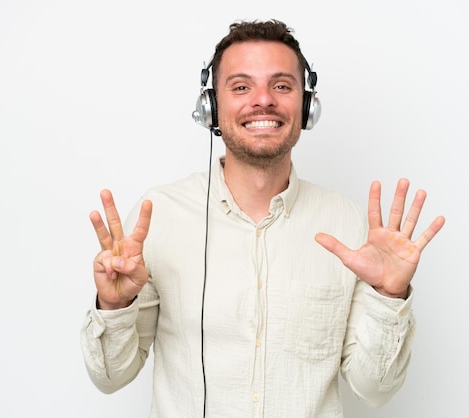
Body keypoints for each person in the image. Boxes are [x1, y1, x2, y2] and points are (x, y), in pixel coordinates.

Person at [80, 19, 445, 417]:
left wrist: (389, 297)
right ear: (211, 107)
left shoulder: (346, 222)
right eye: (241, 86)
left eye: (282, 86)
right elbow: (110, 377)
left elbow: (372, 390)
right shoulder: (159, 215)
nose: (263, 100)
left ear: (306, 106)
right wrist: (113, 306)